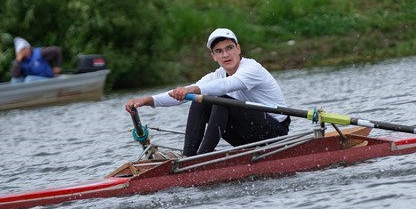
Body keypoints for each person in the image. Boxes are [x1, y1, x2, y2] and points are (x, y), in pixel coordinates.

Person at [125, 28, 291, 157]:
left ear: (238, 49)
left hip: (275, 132)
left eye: (229, 48)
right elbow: (181, 97)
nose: (225, 54)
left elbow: (226, 85)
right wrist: (146, 100)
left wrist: (192, 90)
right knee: (200, 101)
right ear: (213, 57)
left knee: (217, 99)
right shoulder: (216, 75)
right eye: (219, 51)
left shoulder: (252, 68)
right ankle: (188, 157)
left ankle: (201, 160)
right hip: (250, 133)